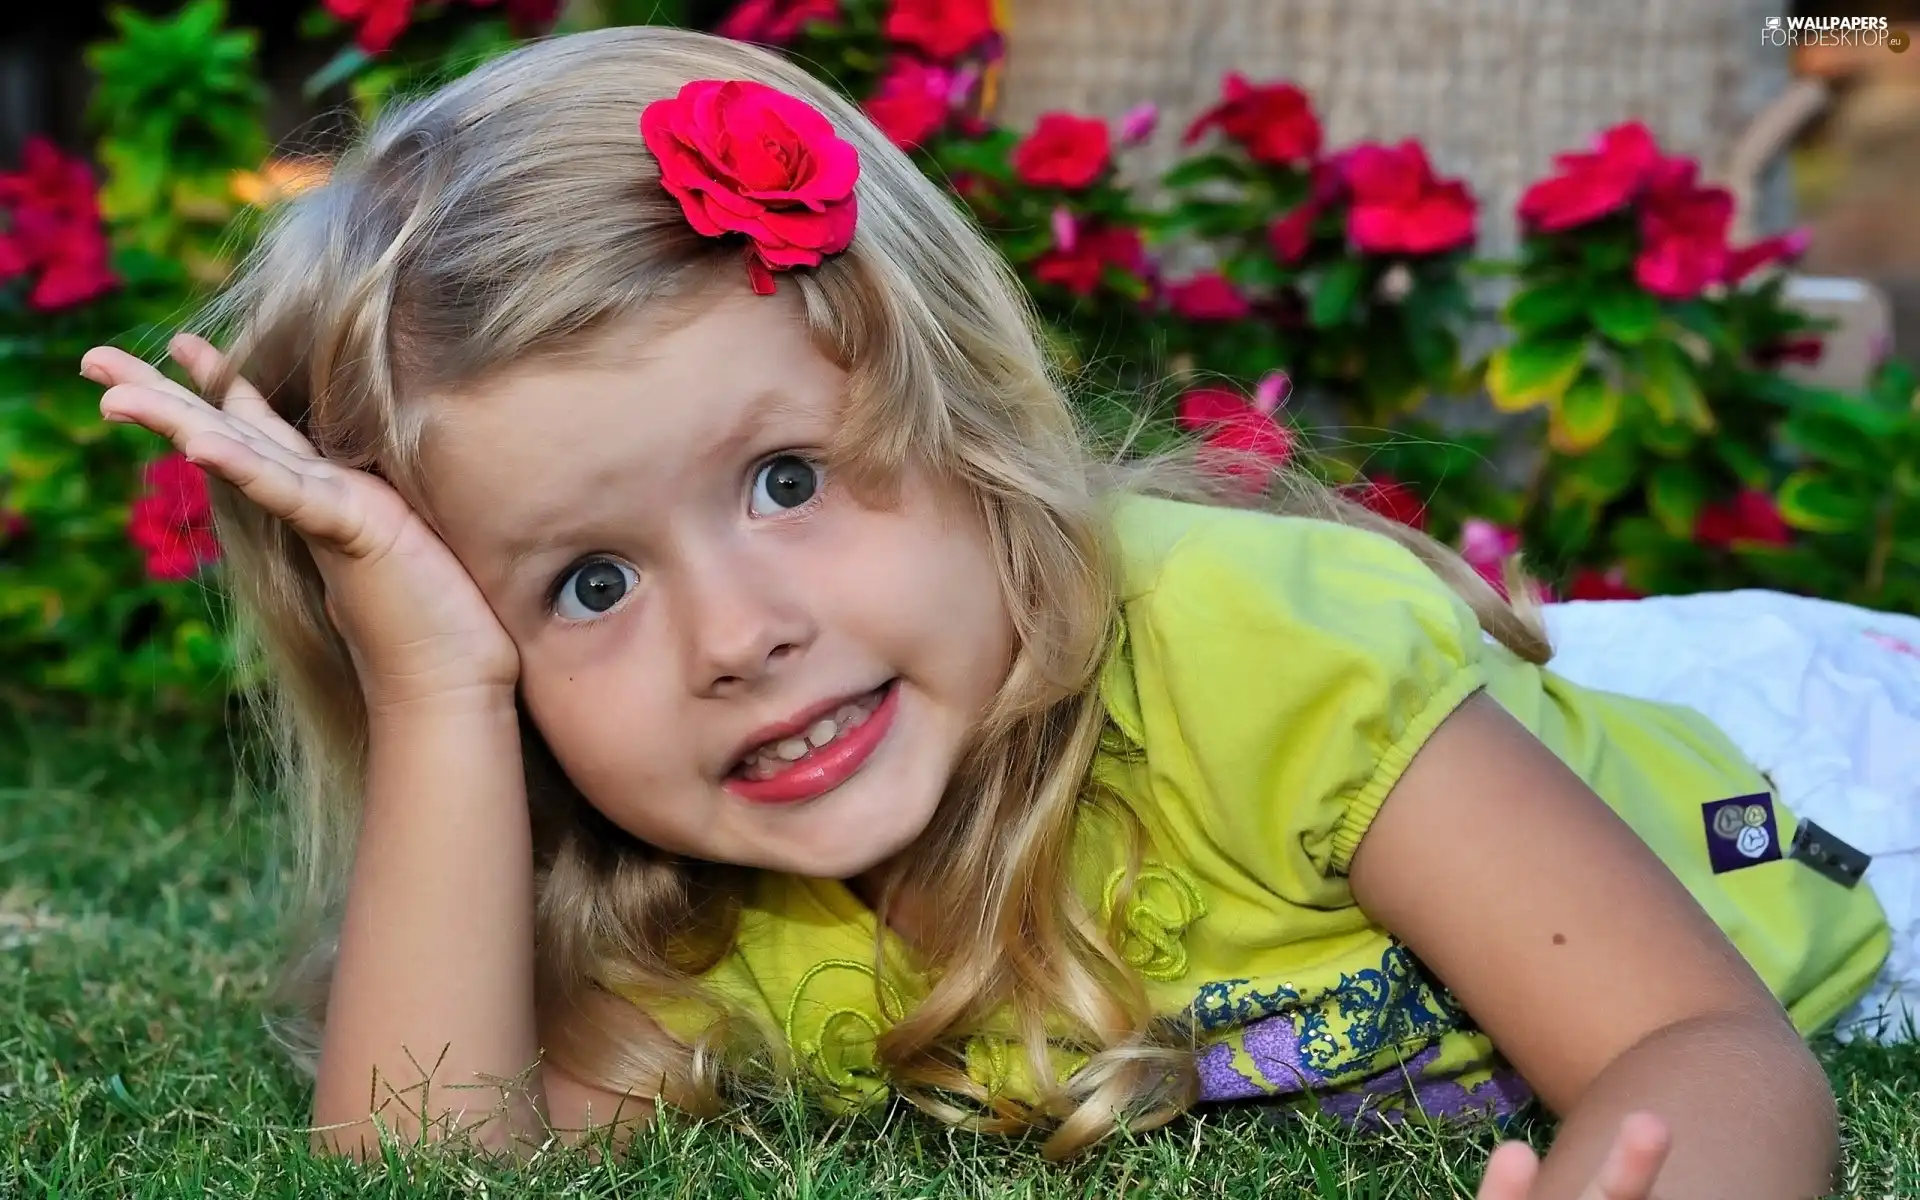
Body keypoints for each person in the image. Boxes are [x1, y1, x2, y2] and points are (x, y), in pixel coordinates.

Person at [78, 24, 1917, 1200]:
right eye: (584, 584)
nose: (732, 636)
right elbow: (430, 1165)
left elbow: (1703, 1047)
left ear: (965, 420)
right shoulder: (687, 885)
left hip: (1797, 765)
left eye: (785, 478)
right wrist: (439, 695)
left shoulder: (1262, 669)